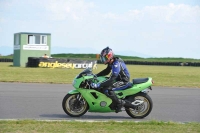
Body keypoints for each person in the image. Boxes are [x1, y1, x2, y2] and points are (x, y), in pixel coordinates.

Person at [91, 47, 131, 113]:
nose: (103, 59)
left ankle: (119, 103)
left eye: (104, 57)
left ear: (109, 56)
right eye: (103, 58)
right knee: (103, 83)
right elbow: (106, 71)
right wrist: (95, 75)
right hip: (118, 79)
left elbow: (113, 77)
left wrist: (99, 84)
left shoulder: (116, 63)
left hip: (123, 81)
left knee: (107, 89)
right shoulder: (111, 62)